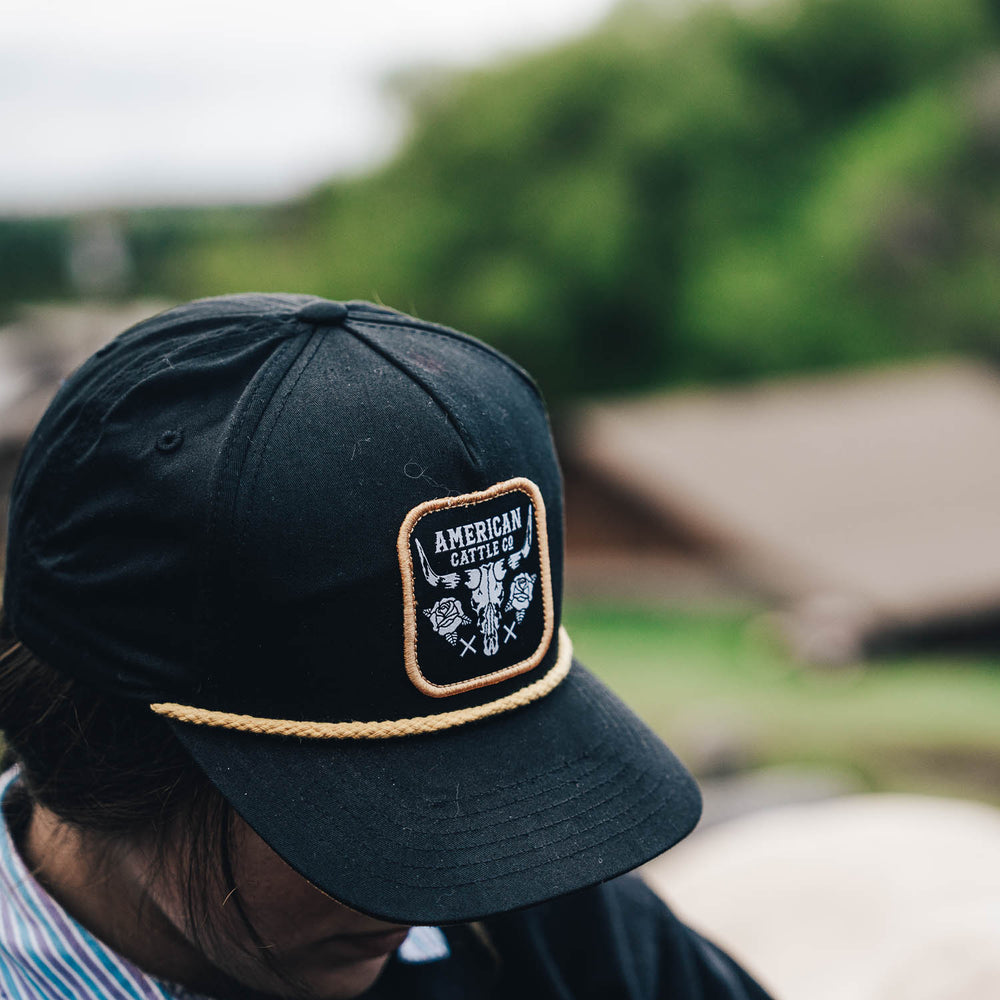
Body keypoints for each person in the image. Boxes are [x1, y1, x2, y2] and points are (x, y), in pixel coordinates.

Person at [0, 294, 773, 1000]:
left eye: (505, 779)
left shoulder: (553, 929)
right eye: (367, 815)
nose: (464, 881)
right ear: (110, 744)